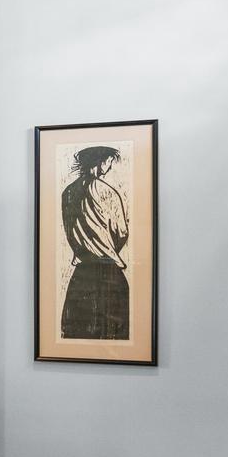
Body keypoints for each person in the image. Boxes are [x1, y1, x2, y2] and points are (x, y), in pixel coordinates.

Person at [59, 145, 129, 340]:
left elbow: (68, 230)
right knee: (115, 334)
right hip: (108, 273)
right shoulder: (107, 192)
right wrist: (106, 247)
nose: (110, 166)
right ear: (102, 162)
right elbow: (122, 232)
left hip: (81, 274)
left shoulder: (68, 193)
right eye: (109, 161)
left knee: (77, 332)